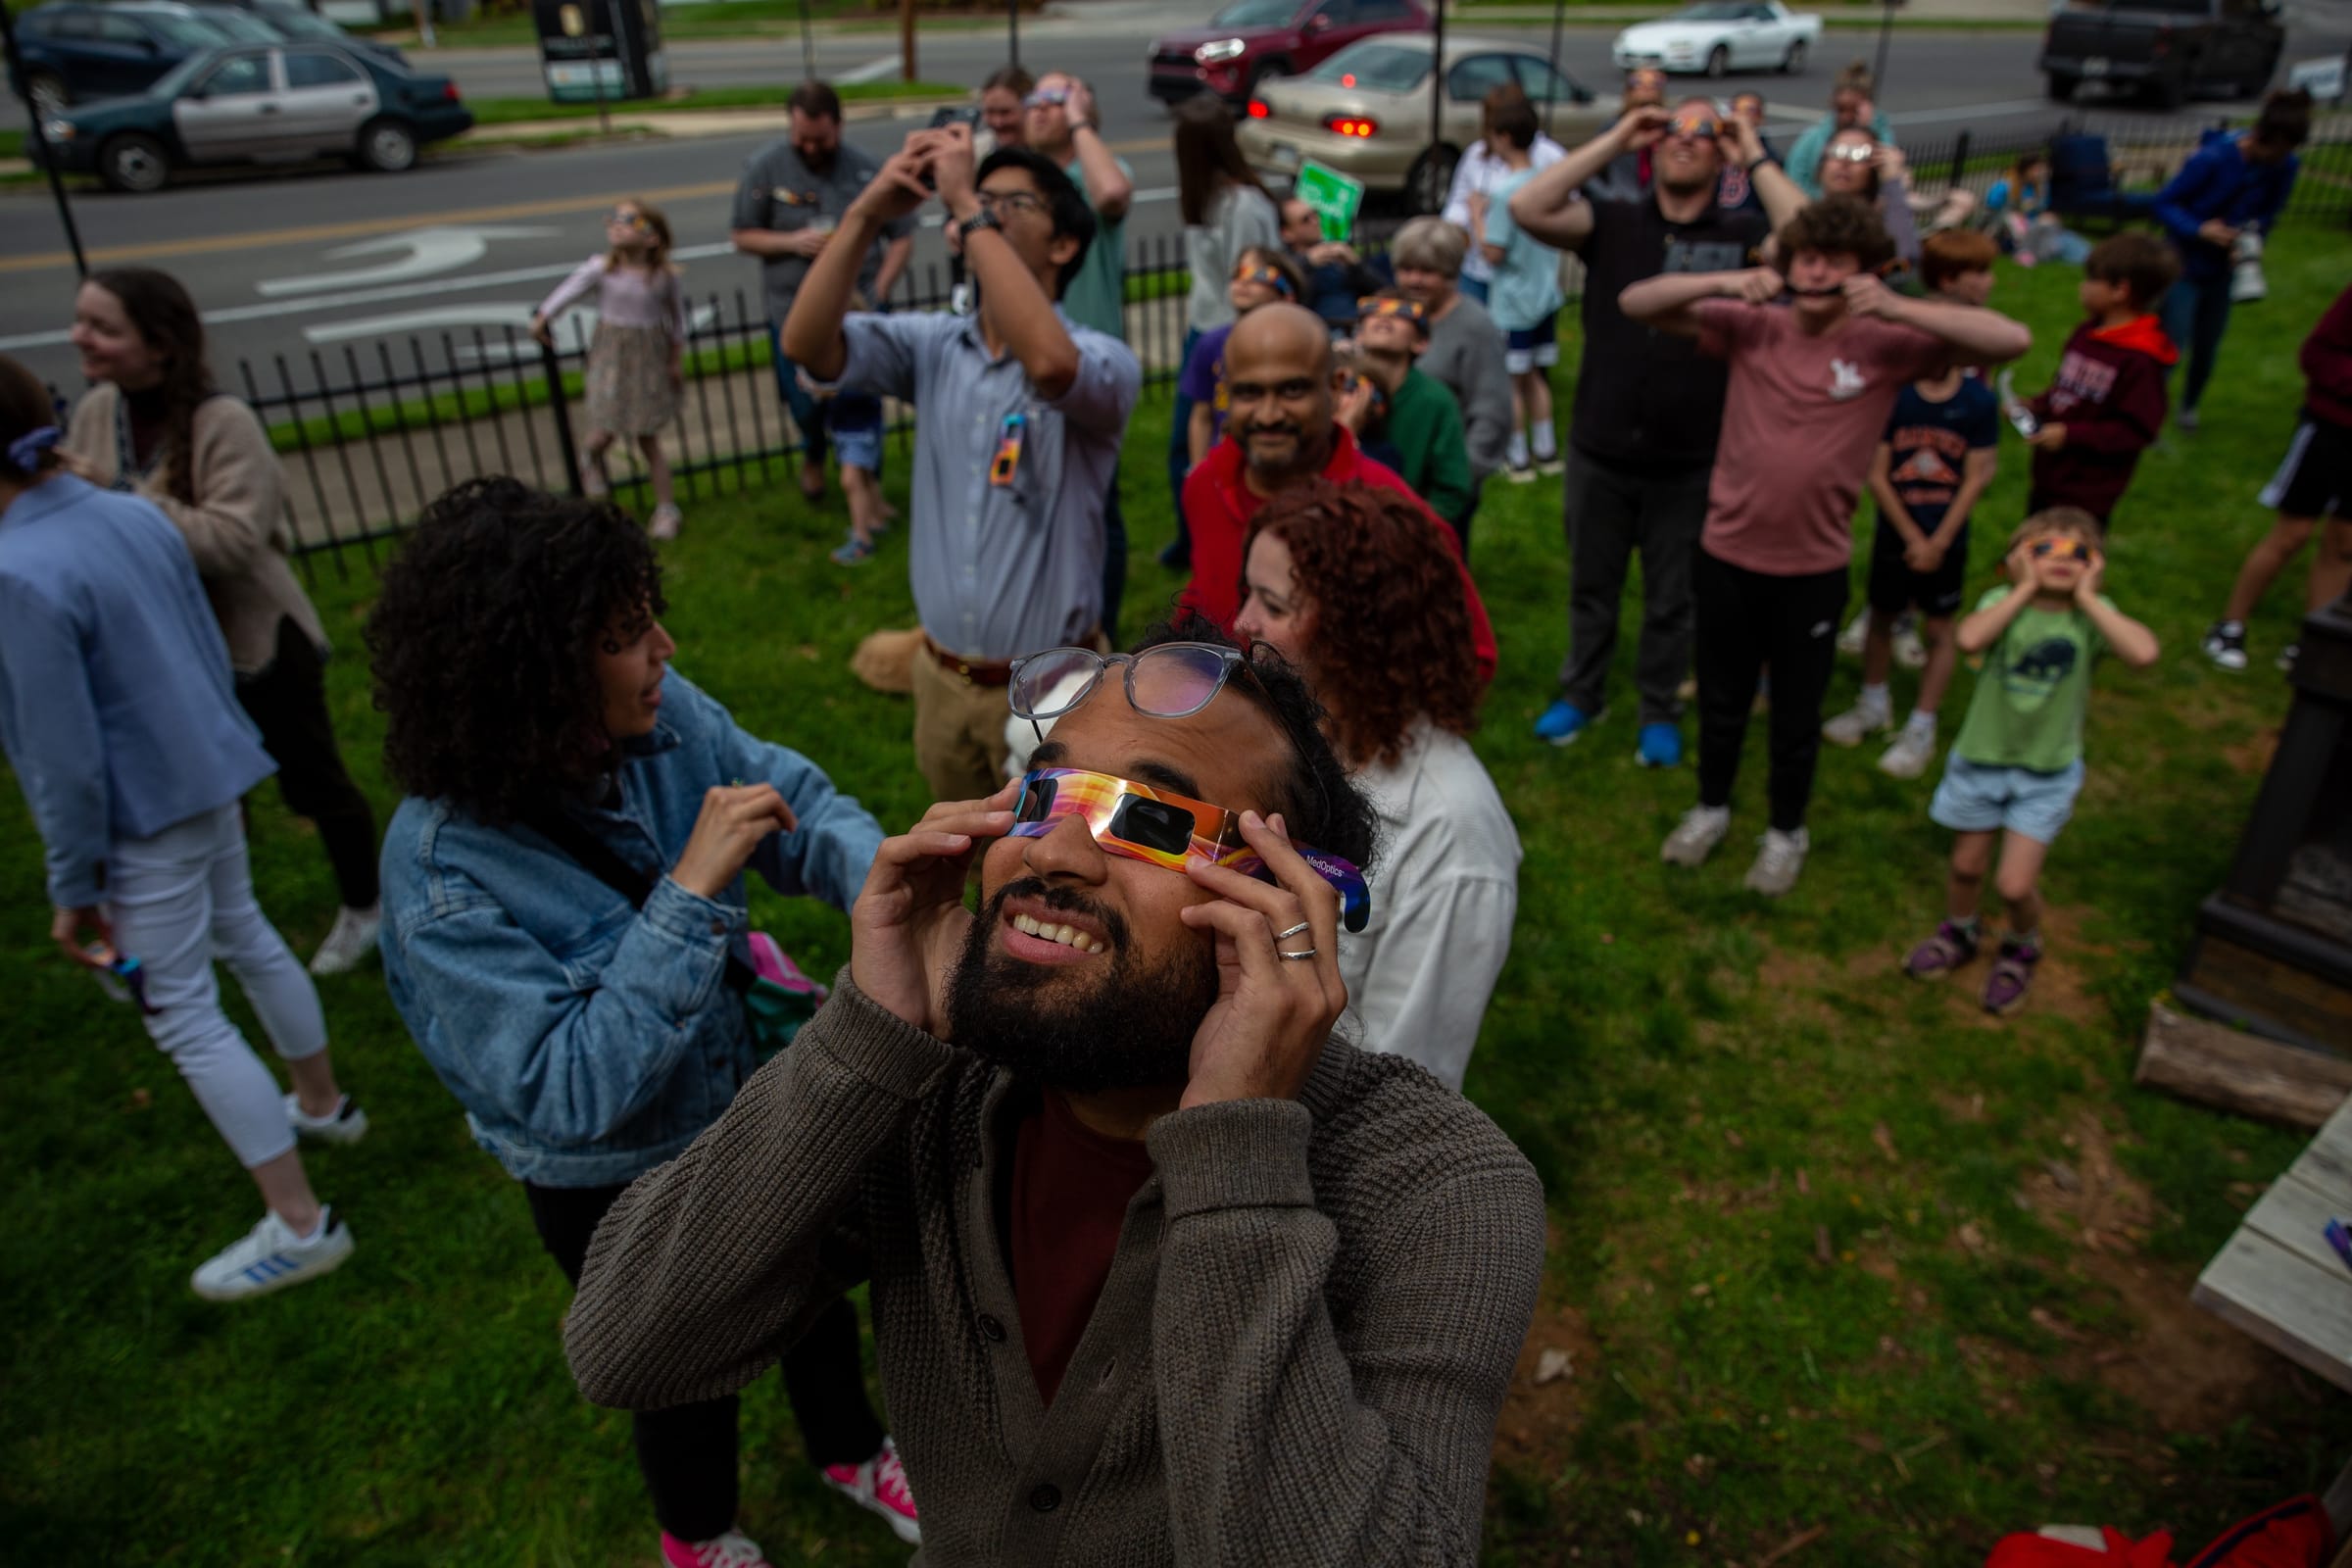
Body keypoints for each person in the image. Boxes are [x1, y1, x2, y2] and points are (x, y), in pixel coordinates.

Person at [562, 620, 1547, 1562]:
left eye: (1152, 819)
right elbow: (625, 1345)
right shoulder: (932, 1090)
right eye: (1042, 793)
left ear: (1290, 906)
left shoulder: (1441, 1191)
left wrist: (1239, 1153)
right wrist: (864, 1039)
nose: (1053, 852)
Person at [370, 477, 913, 1568]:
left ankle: (851, 1449)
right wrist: (689, 893)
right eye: (625, 635)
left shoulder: (664, 716)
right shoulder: (441, 877)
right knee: (676, 1363)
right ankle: (700, 1534)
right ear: (533, 681)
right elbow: (569, 1089)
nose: (665, 645)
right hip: (616, 1176)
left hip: (747, 1093)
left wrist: (885, 889)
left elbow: (798, 800)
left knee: (810, 1293)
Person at [0, 351, 362, 1303]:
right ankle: (323, 1103)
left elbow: (61, 757)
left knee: (181, 1010)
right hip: (211, 771)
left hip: (141, 815)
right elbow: (207, 647)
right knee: (244, 934)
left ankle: (300, 1224)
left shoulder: (17, 573)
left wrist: (73, 888)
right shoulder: (128, 512)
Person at [1620, 196, 2033, 897]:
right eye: (1807, 258)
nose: (1817, 273)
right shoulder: (1753, 325)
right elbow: (1639, 301)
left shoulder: (1888, 341)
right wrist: (1725, 282)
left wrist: (1897, 307)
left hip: (1812, 568)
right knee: (1721, 699)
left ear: (1865, 272)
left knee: (1796, 714)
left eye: (1836, 263)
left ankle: (1786, 833)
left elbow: (2010, 340)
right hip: (1725, 553)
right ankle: (1711, 809)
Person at [783, 126, 1140, 803]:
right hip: (943, 679)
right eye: (984, 199)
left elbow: (1051, 365)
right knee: (961, 864)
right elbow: (807, 344)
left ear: (1064, 245)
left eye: (1013, 204)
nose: (987, 211)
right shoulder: (933, 345)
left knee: (1044, 868)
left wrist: (964, 204)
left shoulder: (1102, 359)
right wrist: (865, 214)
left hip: (1053, 692)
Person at [61, 269, 381, 976]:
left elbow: (235, 540)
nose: (81, 337)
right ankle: (226, 915)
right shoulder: (98, 410)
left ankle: (369, 907)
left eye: (102, 327)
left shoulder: (222, 422)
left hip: (257, 641)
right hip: (169, 648)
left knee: (312, 781)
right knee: (208, 789)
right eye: (81, 321)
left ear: (161, 344)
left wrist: (117, 500)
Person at [1508, 100, 1802, 765]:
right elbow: (1528, 206)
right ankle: (1582, 694)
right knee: (1592, 585)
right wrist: (1616, 137)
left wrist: (1750, 150)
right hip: (1600, 446)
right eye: (1675, 127)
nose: (1687, 140)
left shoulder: (1744, 230)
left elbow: (1808, 234)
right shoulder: (1614, 220)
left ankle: (1658, 709)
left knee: (1674, 598)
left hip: (1695, 455)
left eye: (1706, 132)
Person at [1234, 483, 1517, 1084]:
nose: (1242, 622)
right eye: (1248, 593)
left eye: (1274, 605)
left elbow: (1407, 1081)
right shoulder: (1281, 741)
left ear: (1356, 638)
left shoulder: (1456, 839)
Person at [1904, 508, 2158, 1015]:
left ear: (2095, 566)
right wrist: (2021, 590)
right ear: (2019, 559)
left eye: (2078, 552)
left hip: (2046, 773)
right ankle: (1961, 931)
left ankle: (2022, 945)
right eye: (2046, 549)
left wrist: (2088, 598)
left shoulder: (2089, 618)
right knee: (1965, 866)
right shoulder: (2003, 603)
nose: (2062, 559)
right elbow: (1970, 638)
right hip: (1982, 760)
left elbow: (2144, 653)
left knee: (2014, 884)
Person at [1176, 302, 1497, 686]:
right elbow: (1207, 590)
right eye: (1248, 392)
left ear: (1334, 387)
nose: (1268, 414)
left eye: (1292, 389)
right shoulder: (1205, 485)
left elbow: (1469, 655)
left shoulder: (1387, 508)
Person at [1821, 230, 2003, 782]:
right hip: (1896, 534)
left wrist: (1940, 539)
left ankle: (1921, 725)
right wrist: (1910, 534)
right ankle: (1873, 703)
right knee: (1879, 617)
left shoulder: (1977, 402)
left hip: (1947, 535)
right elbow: (1875, 469)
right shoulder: (1895, 397)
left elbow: (1980, 474)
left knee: (1940, 628)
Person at [731, 80, 915, 505]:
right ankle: (814, 452)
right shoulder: (765, 169)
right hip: (793, 310)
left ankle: (867, 483)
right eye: (802, 138)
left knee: (864, 398)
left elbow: (902, 236)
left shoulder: (866, 170)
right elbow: (742, 234)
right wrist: (791, 243)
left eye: (820, 139)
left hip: (859, 311)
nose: (811, 148)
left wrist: (880, 289)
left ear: (839, 126)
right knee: (805, 402)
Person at [1023, 71, 1138, 640]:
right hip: (1029, 364)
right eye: (1035, 100)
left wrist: (1079, 123)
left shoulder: (1092, 176)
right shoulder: (1025, 184)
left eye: (1056, 98)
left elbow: (1113, 195)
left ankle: (1102, 633)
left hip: (1088, 369)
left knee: (1098, 508)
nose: (1041, 109)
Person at [2205, 281, 2352, 675]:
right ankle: (2230, 625)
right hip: (2331, 430)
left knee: (2343, 544)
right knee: (2293, 533)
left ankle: (2313, 640)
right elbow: (2317, 355)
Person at [1163, 94, 1282, 569]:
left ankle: (1213, 538)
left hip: (1228, 335)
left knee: (1217, 440)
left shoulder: (1244, 207)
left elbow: (1252, 281)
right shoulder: (1202, 196)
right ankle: (1190, 533)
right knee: (1183, 444)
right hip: (1202, 329)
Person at [531, 198, 690, 539]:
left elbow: (676, 321)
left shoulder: (662, 278)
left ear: (652, 238)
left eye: (630, 220)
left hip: (648, 362)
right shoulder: (602, 269)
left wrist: (675, 360)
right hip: (612, 358)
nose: (618, 224)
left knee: (648, 436)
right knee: (605, 428)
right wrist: (545, 315)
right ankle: (590, 462)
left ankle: (666, 508)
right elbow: (568, 290)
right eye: (615, 218)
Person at [2153, 88, 2309, 430]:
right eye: (2276, 150)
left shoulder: (2285, 167)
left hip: (2224, 269)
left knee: (2207, 346)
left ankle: (2189, 408)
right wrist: (2199, 229)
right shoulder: (2213, 158)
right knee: (2171, 344)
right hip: (2185, 265)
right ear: (2261, 137)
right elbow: (2164, 202)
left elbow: (2270, 213)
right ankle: (2147, 414)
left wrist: (2252, 240)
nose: (2279, 158)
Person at [2019, 231, 2179, 526]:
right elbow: (2066, 388)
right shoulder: (2087, 334)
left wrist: (2070, 435)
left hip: (2088, 491)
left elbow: (2137, 430)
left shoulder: (2141, 359)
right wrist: (2036, 405)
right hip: (2049, 477)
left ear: (2121, 290)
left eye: (2092, 280)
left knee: (2067, 561)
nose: (2083, 287)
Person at [1392, 216, 1514, 501]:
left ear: (1450, 273)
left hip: (1443, 484)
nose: (1414, 280)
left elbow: (1492, 412)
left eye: (1427, 271)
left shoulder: (1475, 326)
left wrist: (1459, 479)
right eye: (1406, 269)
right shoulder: (1391, 315)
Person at [1478, 94, 1566, 482]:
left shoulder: (1504, 193)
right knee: (1536, 377)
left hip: (1513, 302)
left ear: (1503, 137)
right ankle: (1546, 451)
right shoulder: (1547, 185)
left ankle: (1518, 458)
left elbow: (1493, 253)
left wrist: (1478, 218)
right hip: (1546, 295)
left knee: (1511, 383)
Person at [1343, 290, 1477, 537]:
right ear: (1359, 335)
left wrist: (1412, 529)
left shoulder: (1435, 400)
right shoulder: (1336, 388)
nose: (1385, 316)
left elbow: (1452, 489)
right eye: (1373, 310)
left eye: (1402, 313)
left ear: (1421, 342)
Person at [1180, 245, 1308, 469]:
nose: (1243, 281)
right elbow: (1202, 416)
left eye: (1258, 275)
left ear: (1287, 295)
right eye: (1237, 274)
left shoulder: (1299, 348)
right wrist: (1197, 469)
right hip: (1223, 466)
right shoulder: (1210, 344)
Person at [1441, 83, 1567, 307]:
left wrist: (1478, 212)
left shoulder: (1550, 157)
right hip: (1475, 268)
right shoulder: (1476, 154)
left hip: (1525, 272)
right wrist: (1458, 226)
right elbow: (1458, 201)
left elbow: (1566, 207)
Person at [1813, 125, 1923, 270]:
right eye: (1837, 151)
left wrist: (1892, 182)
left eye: (1858, 155)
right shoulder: (1804, 215)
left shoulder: (1881, 223)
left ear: (1874, 171)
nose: (1845, 162)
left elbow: (1905, 260)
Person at [1279, 195, 1388, 333]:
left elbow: (1384, 293)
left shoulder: (1338, 254)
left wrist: (1355, 265)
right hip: (1316, 331)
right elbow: (1290, 300)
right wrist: (1307, 263)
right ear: (1287, 233)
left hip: (1358, 327)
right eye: (1306, 219)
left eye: (1316, 214)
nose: (1316, 221)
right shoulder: (1286, 263)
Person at [1786, 62, 1892, 200]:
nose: (1846, 117)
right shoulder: (1812, 139)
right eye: (1841, 109)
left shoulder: (1880, 136)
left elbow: (1887, 176)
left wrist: (1869, 129)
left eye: (1853, 110)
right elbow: (1794, 180)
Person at [1984, 152, 2090, 267]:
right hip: (2006, 228)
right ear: (2026, 170)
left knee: (2057, 231)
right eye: (2038, 169)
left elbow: (2040, 210)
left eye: (2044, 169)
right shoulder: (2004, 186)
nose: (2043, 173)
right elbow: (1991, 212)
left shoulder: (2041, 187)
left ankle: (2083, 255)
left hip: (2033, 226)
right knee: (2018, 221)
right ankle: (2026, 252)